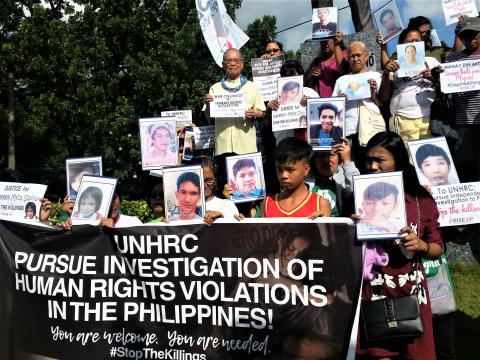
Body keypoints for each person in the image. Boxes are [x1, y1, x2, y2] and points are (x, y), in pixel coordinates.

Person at [355, 131, 442, 359]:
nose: (373, 166)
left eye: (380, 160)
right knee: (379, 352)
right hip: (373, 290)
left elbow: (437, 248)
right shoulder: (355, 197)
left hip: (411, 291)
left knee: (416, 353)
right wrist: (349, 229)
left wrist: (421, 245)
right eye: (368, 160)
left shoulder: (420, 201)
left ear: (398, 161)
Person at [203, 48, 265, 191]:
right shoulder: (215, 89)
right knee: (228, 189)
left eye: (236, 61)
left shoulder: (252, 87)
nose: (232, 64)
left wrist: (254, 113)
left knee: (248, 188)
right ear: (223, 65)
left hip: (246, 146)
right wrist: (207, 104)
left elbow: (262, 113)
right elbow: (208, 117)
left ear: (242, 64)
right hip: (223, 147)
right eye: (229, 61)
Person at [380, 29, 441, 144]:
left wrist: (433, 77)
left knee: (432, 156)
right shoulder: (394, 65)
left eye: (417, 41)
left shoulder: (431, 61)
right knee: (407, 158)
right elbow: (384, 97)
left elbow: (446, 89)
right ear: (401, 45)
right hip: (403, 119)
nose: (413, 44)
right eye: (409, 41)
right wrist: (386, 73)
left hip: (431, 117)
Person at [332, 40, 384, 159]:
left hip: (372, 130)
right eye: (352, 56)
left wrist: (374, 95)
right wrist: (340, 101)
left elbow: (383, 106)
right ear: (348, 58)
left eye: (358, 55)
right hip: (349, 131)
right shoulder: (341, 81)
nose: (355, 59)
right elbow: (333, 110)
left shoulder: (376, 76)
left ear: (366, 56)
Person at [443, 17, 480, 183]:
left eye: (474, 34)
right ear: (460, 37)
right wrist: (439, 78)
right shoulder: (452, 60)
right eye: (466, 35)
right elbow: (445, 89)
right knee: (469, 172)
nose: (471, 38)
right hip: (464, 126)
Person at [262, 137, 331, 218]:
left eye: (290, 170)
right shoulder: (267, 204)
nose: (284, 175)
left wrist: (323, 225)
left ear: (306, 170)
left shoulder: (320, 204)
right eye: (279, 170)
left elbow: (328, 231)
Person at [306, 138, 360, 217]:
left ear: (339, 158)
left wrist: (347, 162)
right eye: (321, 156)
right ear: (313, 160)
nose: (326, 160)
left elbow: (359, 192)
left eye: (331, 155)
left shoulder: (343, 181)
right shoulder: (304, 183)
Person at [199, 156, 239, 225]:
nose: (204, 186)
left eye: (209, 180)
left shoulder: (227, 205)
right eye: (199, 180)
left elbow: (235, 232)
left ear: (216, 181)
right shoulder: (182, 208)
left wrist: (221, 221)